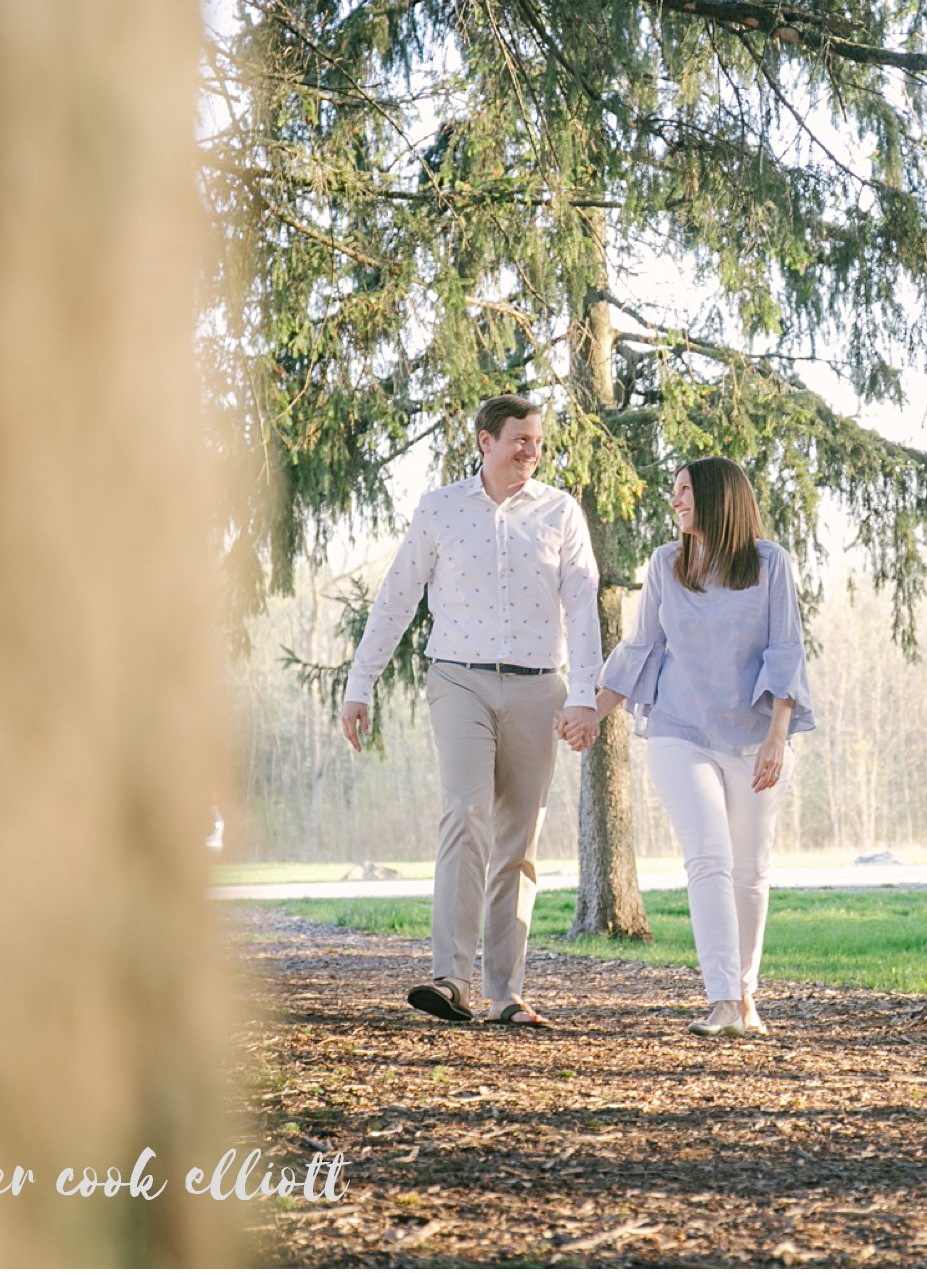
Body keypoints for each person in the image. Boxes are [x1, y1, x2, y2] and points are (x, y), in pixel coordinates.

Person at [340, 394, 602, 1028]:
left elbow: (584, 607)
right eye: (520, 440)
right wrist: (359, 683)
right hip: (459, 680)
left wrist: (585, 697)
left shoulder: (560, 513)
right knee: (466, 811)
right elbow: (397, 599)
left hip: (540, 687)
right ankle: (451, 979)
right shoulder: (440, 510)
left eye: (538, 441)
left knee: (520, 836)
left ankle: (506, 993)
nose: (532, 451)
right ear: (485, 441)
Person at [578, 457, 814, 1037]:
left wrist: (777, 738)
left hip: (758, 738)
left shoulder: (769, 564)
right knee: (708, 859)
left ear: (715, 499)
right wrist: (593, 711)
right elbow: (641, 647)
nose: (675, 502)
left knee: (750, 871)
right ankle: (721, 1001)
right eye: (674, 491)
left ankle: (745, 995)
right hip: (680, 731)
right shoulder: (666, 563)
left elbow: (786, 651)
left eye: (684, 491)